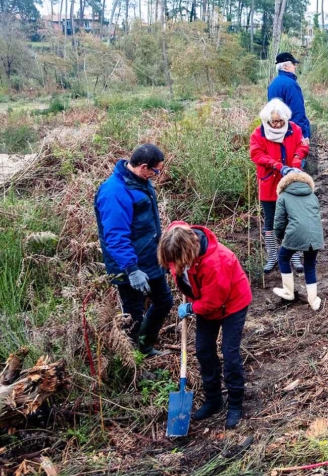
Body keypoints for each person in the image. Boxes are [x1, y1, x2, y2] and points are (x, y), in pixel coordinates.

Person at [157, 221, 252, 429]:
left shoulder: (216, 262)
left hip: (231, 303)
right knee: (203, 351)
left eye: (177, 262)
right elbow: (175, 232)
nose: (174, 266)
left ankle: (235, 403)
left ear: (189, 253)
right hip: (204, 301)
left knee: (229, 353)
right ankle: (214, 399)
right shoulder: (176, 238)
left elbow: (213, 302)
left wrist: (191, 308)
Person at [94, 143, 172, 358]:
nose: (157, 175)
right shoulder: (114, 192)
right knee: (133, 313)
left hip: (150, 258)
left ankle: (145, 347)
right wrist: (131, 269)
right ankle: (133, 360)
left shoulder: (140, 181)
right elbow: (115, 236)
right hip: (128, 265)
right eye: (156, 171)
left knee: (164, 301)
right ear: (144, 166)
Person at [250, 98, 309, 274]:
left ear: (285, 119)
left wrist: (298, 157)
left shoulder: (294, 129)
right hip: (269, 183)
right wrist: (276, 165)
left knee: (294, 218)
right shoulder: (258, 133)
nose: (276, 125)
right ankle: (272, 256)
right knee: (270, 221)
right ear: (267, 119)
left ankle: (295, 255)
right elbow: (256, 154)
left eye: (280, 121)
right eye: (273, 121)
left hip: (291, 182)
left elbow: (302, 146)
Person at [271, 168, 324, 311]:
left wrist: (280, 236)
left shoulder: (283, 196)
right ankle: (313, 300)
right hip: (315, 235)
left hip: (295, 233)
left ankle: (288, 292)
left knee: (282, 257)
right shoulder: (312, 195)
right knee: (310, 265)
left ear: (285, 182)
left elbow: (279, 221)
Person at [268, 52, 311, 144]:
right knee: (297, 158)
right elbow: (297, 111)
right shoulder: (290, 84)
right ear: (285, 66)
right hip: (292, 134)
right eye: (293, 64)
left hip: (277, 132)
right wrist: (303, 134)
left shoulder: (273, 84)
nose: (295, 67)